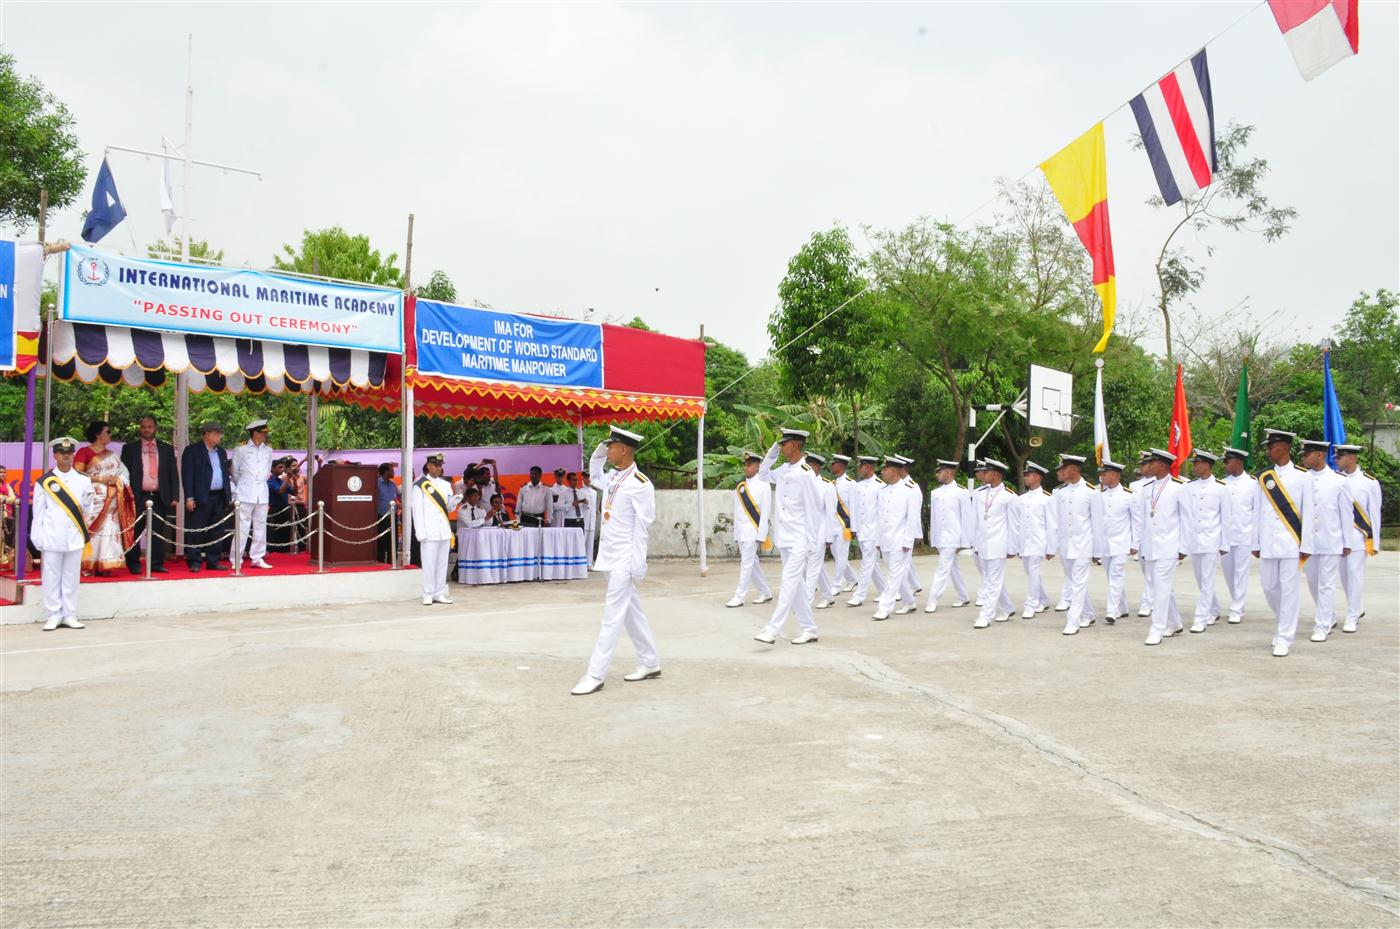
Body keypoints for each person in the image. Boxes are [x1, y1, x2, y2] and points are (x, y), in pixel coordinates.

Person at [572, 426, 662, 696]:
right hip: (610, 556)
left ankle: (595, 674)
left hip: (625, 558)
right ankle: (650, 662)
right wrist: (598, 452)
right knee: (631, 611)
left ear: (623, 450)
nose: (608, 450)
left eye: (611, 446)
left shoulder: (640, 484)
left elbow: (643, 527)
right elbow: (595, 474)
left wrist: (637, 564)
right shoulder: (613, 478)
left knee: (612, 617)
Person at [752, 428, 826, 645]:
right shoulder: (783, 469)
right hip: (784, 537)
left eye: (783, 444)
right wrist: (772, 453)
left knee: (788, 581)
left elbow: (814, 509)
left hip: (800, 538)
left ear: (794, 445)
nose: (781, 447)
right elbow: (763, 475)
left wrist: (812, 542)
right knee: (796, 587)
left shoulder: (806, 474)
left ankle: (772, 629)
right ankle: (809, 628)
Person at [1252, 430, 1314, 657]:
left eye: (1272, 446)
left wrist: (1306, 544)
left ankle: (1285, 637)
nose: (1269, 450)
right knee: (1269, 587)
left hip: (1291, 542)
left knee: (1289, 590)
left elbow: (1308, 512)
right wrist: (1255, 541)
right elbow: (1257, 512)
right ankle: (1282, 623)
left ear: (1285, 447)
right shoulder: (1263, 477)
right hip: (1268, 541)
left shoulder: (1303, 477)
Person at [32, 437, 96, 631]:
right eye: (62, 453)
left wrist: (87, 502)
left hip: (74, 536)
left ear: (73, 455)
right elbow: (38, 512)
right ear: (55, 456)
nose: (65, 456)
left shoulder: (84, 480)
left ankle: (69, 614)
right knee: (51, 576)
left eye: (69, 453)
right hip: (52, 535)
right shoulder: (44, 482)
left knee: (70, 577)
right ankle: (53, 614)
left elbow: (88, 510)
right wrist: (38, 537)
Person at [1299, 438, 1352, 642]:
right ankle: (1328, 615)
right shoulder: (1302, 479)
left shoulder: (1339, 481)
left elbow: (1346, 514)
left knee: (1326, 584)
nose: (1303, 458)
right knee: (1313, 582)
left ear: (1319, 455)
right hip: (1309, 542)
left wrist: (1347, 542)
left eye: (1307, 454)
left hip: (1331, 540)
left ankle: (1322, 625)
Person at [1139, 448, 1191, 646]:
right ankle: (1175, 622)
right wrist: (1141, 545)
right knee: (1160, 586)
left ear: (1162, 465)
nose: (1148, 466)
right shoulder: (1147, 488)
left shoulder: (1179, 487)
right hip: (1151, 546)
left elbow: (1187, 519)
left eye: (1151, 463)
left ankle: (1157, 628)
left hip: (1169, 545)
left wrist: (1183, 547)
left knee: (1160, 588)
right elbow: (1143, 520)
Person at [73, 420, 136, 577]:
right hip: (94, 498)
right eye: (107, 432)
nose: (110, 435)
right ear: (97, 434)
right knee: (92, 528)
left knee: (109, 528)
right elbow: (77, 474)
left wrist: (117, 480)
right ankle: (88, 563)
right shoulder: (84, 452)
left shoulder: (112, 455)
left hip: (112, 496)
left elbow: (124, 473)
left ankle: (105, 564)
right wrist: (100, 480)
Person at [1053, 454, 1106, 636]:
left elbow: (1097, 524)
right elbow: (1058, 522)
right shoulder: (1060, 492)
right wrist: (1054, 546)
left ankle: (1072, 620)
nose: (1060, 471)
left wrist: (1098, 550)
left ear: (1075, 469)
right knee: (1075, 582)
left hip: (1083, 544)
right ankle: (1088, 613)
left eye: (1064, 468)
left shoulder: (1092, 492)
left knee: (1078, 583)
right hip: (1066, 545)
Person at [120, 414, 178, 575]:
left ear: (155, 428)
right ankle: (134, 563)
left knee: (158, 531)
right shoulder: (129, 448)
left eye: (150, 427)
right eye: (144, 427)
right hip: (138, 495)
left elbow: (173, 473)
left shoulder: (166, 448)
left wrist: (175, 496)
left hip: (160, 496)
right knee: (136, 530)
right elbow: (123, 474)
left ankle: (156, 563)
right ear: (140, 428)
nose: (147, 430)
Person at [1181, 450, 1232, 634]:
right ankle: (1214, 608)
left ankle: (1200, 618)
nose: (1194, 467)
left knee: (1207, 579)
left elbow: (1226, 518)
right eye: (1194, 463)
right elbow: (1185, 518)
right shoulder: (1189, 487)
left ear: (1208, 466)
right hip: (1195, 540)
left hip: (1211, 539)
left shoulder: (1221, 488)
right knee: (1200, 579)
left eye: (1197, 463)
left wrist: (1224, 544)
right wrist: (1184, 544)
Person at [1335, 444, 1381, 634]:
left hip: (1358, 537)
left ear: (1352, 458)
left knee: (1355, 576)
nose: (1336, 461)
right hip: (1338, 537)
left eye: (1340, 457)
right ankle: (1357, 607)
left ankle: (1352, 614)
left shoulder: (1369, 483)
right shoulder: (1336, 480)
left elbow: (1374, 513)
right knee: (1344, 578)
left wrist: (1374, 543)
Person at [872, 455, 922, 622]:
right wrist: (878, 541)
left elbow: (912, 518)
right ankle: (909, 601)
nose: (882, 472)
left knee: (894, 575)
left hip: (900, 541)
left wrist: (908, 541)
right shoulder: (882, 491)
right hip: (886, 540)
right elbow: (879, 518)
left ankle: (884, 607)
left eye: (885, 469)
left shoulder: (909, 490)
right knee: (896, 574)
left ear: (894, 470)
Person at [970, 459, 1019, 628]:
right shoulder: (980, 493)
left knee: (992, 581)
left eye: (987, 471)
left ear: (996, 474)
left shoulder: (1009, 497)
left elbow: (1014, 525)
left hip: (999, 544)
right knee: (991, 579)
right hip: (982, 544)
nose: (984, 474)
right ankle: (1007, 607)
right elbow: (976, 521)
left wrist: (1012, 548)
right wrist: (975, 543)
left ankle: (986, 615)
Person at [410, 453, 461, 606]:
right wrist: (420, 532)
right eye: (436, 465)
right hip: (429, 532)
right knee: (429, 564)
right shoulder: (419, 486)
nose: (439, 468)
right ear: (428, 466)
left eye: (441, 466)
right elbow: (417, 511)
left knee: (442, 564)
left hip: (443, 531)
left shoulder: (445, 485)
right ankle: (427, 593)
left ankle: (439, 593)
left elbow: (448, 508)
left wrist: (455, 501)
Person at [181, 422, 233, 573]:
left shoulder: (221, 452)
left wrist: (227, 496)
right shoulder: (192, 451)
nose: (219, 436)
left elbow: (225, 475)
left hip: (218, 496)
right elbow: (187, 475)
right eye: (217, 433)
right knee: (196, 530)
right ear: (207, 434)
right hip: (200, 496)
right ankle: (194, 561)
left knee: (217, 530)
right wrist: (189, 497)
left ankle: (213, 561)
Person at [725, 450, 774, 608]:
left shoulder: (764, 486)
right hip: (741, 532)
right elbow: (737, 512)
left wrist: (762, 535)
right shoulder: (740, 487)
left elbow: (765, 512)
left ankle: (739, 596)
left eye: (749, 465)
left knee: (746, 564)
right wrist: (736, 533)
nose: (746, 468)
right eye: (745, 465)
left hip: (753, 532)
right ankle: (765, 592)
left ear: (757, 467)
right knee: (752, 564)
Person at [925, 459, 974, 613]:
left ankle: (933, 599)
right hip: (940, 536)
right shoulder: (935, 493)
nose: (937, 474)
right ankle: (963, 596)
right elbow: (934, 517)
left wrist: (967, 540)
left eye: (940, 471)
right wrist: (934, 538)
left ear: (949, 472)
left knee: (943, 568)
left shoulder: (962, 492)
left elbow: (967, 518)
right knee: (953, 567)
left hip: (953, 536)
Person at [230, 419, 274, 570]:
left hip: (261, 492)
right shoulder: (241, 449)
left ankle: (258, 557)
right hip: (245, 492)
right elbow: (235, 472)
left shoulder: (268, 450)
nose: (265, 436)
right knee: (242, 527)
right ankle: (236, 558)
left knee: (260, 527)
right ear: (254, 433)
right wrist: (243, 485)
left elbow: (268, 471)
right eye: (262, 433)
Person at [1220, 447, 1256, 625]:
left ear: (1238, 462)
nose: (1224, 465)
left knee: (1241, 573)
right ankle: (1237, 602)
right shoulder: (1222, 483)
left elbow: (1256, 513)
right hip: (1226, 537)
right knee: (1229, 574)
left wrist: (1257, 540)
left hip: (1244, 535)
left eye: (1227, 461)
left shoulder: (1253, 484)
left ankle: (1236, 608)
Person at [1097, 460, 1136, 624]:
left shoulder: (1128, 496)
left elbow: (1136, 521)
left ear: (1114, 475)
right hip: (1105, 544)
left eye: (1104, 474)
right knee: (1111, 576)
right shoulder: (1100, 496)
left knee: (1116, 575)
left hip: (1122, 542)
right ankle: (1123, 607)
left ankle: (1112, 611)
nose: (1101, 477)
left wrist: (1135, 543)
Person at [1016, 461, 1057, 619]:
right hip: (1025, 542)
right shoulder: (1022, 498)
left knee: (1033, 571)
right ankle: (1043, 599)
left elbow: (1051, 524)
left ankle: (1031, 604)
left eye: (1028, 475)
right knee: (1030, 572)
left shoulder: (1047, 498)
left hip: (1038, 541)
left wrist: (1051, 548)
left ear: (1037, 477)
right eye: (1025, 475)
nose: (1025, 477)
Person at [846, 454, 886, 608]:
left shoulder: (880, 486)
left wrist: (879, 535)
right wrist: (854, 529)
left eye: (861, 466)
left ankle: (859, 595)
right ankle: (884, 590)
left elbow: (881, 513)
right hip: (862, 531)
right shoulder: (858, 486)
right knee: (872, 563)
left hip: (873, 531)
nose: (860, 469)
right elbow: (854, 509)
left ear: (869, 467)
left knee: (867, 563)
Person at [808, 452, 843, 610]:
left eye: (809, 466)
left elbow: (831, 513)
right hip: (805, 532)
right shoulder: (803, 483)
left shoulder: (827, 486)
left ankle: (806, 601)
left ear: (816, 467)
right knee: (816, 567)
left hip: (821, 532)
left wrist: (829, 537)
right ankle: (828, 596)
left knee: (812, 567)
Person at [1129, 452, 1155, 617]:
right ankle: (1151, 599)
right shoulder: (1134, 485)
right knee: (1146, 571)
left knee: (1154, 571)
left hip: (1155, 533)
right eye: (1141, 465)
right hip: (1140, 533)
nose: (1142, 468)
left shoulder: (1159, 483)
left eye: (1145, 464)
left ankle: (1148, 602)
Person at [827, 455, 859, 591]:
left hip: (845, 526)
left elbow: (854, 507)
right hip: (833, 525)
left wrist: (854, 528)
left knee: (841, 555)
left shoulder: (851, 483)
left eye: (834, 463)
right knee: (837, 555)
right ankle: (852, 579)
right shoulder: (832, 484)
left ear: (841, 465)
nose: (832, 465)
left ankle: (836, 585)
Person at [267, 458, 296, 554]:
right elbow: (280, 491)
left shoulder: (281, 481)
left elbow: (294, 492)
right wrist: (288, 478)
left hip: (285, 509)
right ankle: (274, 551)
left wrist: (294, 480)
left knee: (285, 532)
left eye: (283, 467)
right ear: (272, 469)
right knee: (276, 532)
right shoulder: (270, 482)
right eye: (280, 467)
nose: (282, 470)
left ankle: (284, 551)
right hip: (275, 510)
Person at [375, 462, 400, 564]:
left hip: (393, 517)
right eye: (391, 470)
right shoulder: (376, 484)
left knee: (393, 541)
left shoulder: (393, 485)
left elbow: (396, 498)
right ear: (385, 472)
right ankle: (380, 563)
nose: (393, 472)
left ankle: (392, 562)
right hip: (381, 517)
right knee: (381, 542)